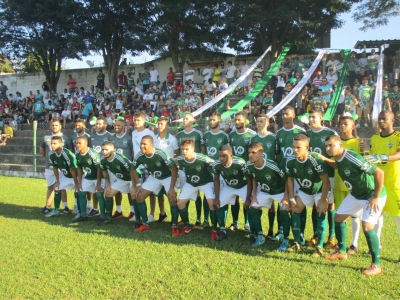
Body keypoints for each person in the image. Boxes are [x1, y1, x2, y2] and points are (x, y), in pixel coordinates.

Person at [323, 135, 386, 275]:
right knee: (338, 218)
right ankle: (342, 251)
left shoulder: (351, 156)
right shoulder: (338, 158)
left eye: (331, 145)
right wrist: (325, 159)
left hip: (372, 195)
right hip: (356, 194)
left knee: (367, 226)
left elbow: (379, 172)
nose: (328, 148)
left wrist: (376, 196)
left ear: (340, 145)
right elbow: (338, 165)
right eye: (326, 145)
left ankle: (376, 264)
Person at [285, 134, 330, 257]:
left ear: (307, 147)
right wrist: (292, 198)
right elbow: (289, 179)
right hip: (304, 191)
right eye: (293, 147)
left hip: (319, 191)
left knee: (320, 212)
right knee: (295, 209)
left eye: (298, 147)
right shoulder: (290, 160)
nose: (295, 150)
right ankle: (297, 243)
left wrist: (323, 199)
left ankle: (319, 246)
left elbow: (326, 181)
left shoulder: (314, 159)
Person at [365, 110, 400, 264]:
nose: (381, 121)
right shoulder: (374, 138)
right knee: (376, 217)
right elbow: (371, 157)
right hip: (378, 184)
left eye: (384, 119)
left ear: (392, 120)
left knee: (398, 219)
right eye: (379, 119)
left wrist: (383, 157)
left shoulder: (398, 137)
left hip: (394, 185)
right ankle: (376, 246)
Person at [131, 136, 178, 234]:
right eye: (141, 143)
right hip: (154, 177)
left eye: (145, 144)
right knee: (139, 196)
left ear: (151, 145)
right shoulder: (139, 155)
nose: (142, 146)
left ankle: (174, 225)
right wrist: (138, 184)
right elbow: (132, 168)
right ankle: (145, 224)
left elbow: (174, 169)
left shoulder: (160, 154)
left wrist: (171, 188)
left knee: (172, 197)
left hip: (167, 177)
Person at [306, 109, 338, 249]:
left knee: (330, 205)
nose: (311, 120)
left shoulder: (330, 133)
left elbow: (338, 151)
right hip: (314, 176)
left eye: (314, 117)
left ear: (321, 118)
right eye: (310, 117)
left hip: (330, 174)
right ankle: (316, 234)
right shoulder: (307, 134)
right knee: (316, 205)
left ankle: (332, 237)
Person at [244, 142, 286, 247]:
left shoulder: (272, 166)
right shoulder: (249, 165)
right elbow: (254, 177)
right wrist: (254, 196)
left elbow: (285, 179)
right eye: (249, 153)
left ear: (261, 154)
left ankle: (284, 237)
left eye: (253, 153)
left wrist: (286, 196)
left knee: (284, 210)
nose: (250, 155)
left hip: (279, 191)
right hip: (264, 191)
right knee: (253, 208)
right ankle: (260, 235)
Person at [274, 106, 306, 242]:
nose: (284, 116)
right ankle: (281, 230)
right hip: (283, 173)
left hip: (298, 172)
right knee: (282, 201)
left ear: (293, 115)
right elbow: (278, 154)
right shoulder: (279, 133)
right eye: (283, 114)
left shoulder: (301, 131)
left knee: (299, 202)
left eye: (287, 114)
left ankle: (301, 232)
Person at [333, 115, 363, 255]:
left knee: (355, 215)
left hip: (354, 185)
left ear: (353, 126)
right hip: (339, 183)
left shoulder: (358, 142)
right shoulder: (335, 142)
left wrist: (363, 149)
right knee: (340, 214)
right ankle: (341, 244)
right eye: (341, 124)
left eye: (346, 123)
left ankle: (354, 244)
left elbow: (362, 163)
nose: (342, 126)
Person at [176, 138, 217, 238]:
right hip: (191, 183)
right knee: (180, 203)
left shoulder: (202, 158)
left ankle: (214, 229)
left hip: (206, 182)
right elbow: (173, 163)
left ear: (193, 149)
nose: (184, 151)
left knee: (211, 203)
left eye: (187, 149)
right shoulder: (181, 159)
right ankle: (187, 226)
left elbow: (216, 165)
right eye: (183, 149)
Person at [212, 145, 252, 241]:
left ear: (231, 155)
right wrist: (217, 197)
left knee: (251, 205)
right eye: (220, 156)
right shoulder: (216, 164)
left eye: (224, 156)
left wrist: (247, 198)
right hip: (229, 186)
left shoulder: (240, 163)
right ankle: (222, 230)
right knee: (219, 204)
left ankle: (252, 231)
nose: (221, 158)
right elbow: (216, 180)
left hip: (243, 186)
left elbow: (249, 180)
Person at [249, 114, 278, 238]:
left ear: (267, 123)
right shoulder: (253, 138)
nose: (259, 123)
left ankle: (271, 230)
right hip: (258, 174)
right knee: (256, 203)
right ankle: (256, 230)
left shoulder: (273, 138)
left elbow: (277, 155)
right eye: (258, 121)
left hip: (270, 175)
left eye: (261, 121)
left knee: (271, 205)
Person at [176, 113, 206, 228]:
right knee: (185, 191)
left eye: (187, 118)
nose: (184, 120)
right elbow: (178, 152)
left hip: (196, 167)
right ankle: (184, 219)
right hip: (184, 167)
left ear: (193, 121)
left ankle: (198, 219)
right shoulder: (180, 134)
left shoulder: (198, 133)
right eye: (183, 118)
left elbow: (203, 151)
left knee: (197, 192)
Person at [229, 110, 256, 232]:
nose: (237, 122)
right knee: (234, 199)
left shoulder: (252, 135)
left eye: (239, 120)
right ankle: (235, 222)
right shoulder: (231, 135)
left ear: (245, 121)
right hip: (235, 171)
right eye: (235, 120)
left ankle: (247, 223)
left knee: (247, 198)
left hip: (247, 171)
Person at [98, 142, 136, 225]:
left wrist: (133, 186)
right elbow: (104, 172)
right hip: (122, 178)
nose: (104, 152)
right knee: (108, 193)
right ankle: (108, 218)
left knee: (134, 194)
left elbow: (132, 170)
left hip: (133, 177)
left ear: (113, 150)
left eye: (107, 150)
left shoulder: (120, 158)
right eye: (103, 149)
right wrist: (108, 185)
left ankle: (138, 217)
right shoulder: (103, 160)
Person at [39, 119, 72, 214]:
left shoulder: (65, 138)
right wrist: (50, 159)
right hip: (49, 167)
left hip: (62, 168)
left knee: (61, 187)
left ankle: (65, 207)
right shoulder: (46, 137)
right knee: (50, 187)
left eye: (56, 125)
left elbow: (70, 152)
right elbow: (42, 150)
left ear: (60, 126)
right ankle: (47, 206)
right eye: (52, 125)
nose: (54, 127)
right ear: (50, 126)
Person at [45, 136, 78, 217]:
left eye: (54, 143)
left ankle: (80, 211)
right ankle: (56, 210)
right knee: (57, 188)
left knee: (78, 192)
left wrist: (76, 183)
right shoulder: (51, 154)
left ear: (61, 144)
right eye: (51, 143)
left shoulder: (66, 154)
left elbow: (73, 169)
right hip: (66, 175)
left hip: (76, 176)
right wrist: (58, 181)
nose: (52, 145)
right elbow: (55, 168)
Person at [154, 116, 179, 222]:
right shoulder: (154, 138)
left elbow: (176, 154)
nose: (159, 126)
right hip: (157, 171)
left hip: (169, 172)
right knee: (159, 195)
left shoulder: (172, 139)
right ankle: (162, 213)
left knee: (171, 195)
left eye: (162, 124)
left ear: (167, 126)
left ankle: (174, 219)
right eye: (158, 124)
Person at [88, 116, 114, 217]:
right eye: (96, 124)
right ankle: (95, 208)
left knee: (108, 188)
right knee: (96, 188)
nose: (97, 126)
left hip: (106, 166)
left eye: (100, 124)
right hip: (95, 166)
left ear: (105, 125)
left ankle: (108, 211)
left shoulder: (110, 136)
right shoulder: (92, 136)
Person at [74, 136, 102, 222]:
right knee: (81, 192)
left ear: (86, 143)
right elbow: (79, 168)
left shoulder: (92, 153)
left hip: (99, 177)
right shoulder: (78, 154)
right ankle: (83, 215)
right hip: (88, 177)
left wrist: (98, 184)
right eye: (76, 143)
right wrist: (79, 182)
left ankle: (104, 216)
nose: (77, 145)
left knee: (99, 194)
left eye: (79, 143)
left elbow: (99, 169)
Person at [111, 118, 135, 220]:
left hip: (127, 169)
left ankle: (132, 211)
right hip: (115, 169)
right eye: (115, 125)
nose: (116, 127)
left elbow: (133, 151)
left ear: (124, 126)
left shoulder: (129, 138)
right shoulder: (111, 138)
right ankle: (119, 210)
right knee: (117, 191)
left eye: (118, 125)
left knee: (130, 191)